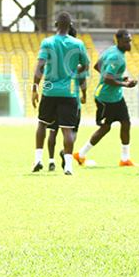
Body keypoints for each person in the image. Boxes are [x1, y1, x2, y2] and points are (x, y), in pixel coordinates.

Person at [31, 11, 89, 175]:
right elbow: (85, 65)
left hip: (49, 90)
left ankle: (38, 160)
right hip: (69, 91)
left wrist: (35, 88)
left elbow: (40, 67)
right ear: (71, 25)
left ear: (55, 24)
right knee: (67, 129)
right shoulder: (78, 44)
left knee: (42, 124)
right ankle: (68, 166)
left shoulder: (47, 42)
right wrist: (74, 71)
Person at [73, 30, 139, 168]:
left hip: (116, 97)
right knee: (105, 128)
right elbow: (107, 78)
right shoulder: (116, 57)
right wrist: (125, 84)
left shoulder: (112, 50)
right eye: (126, 41)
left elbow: (97, 66)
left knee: (126, 123)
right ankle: (81, 154)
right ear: (119, 41)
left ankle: (125, 159)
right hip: (105, 98)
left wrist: (119, 78)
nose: (129, 43)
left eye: (130, 40)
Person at [46, 24, 86, 171]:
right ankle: (65, 152)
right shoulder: (76, 57)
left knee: (52, 131)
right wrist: (84, 94)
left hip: (53, 95)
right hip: (70, 97)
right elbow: (82, 78)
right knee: (71, 131)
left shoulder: (55, 53)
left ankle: (51, 160)